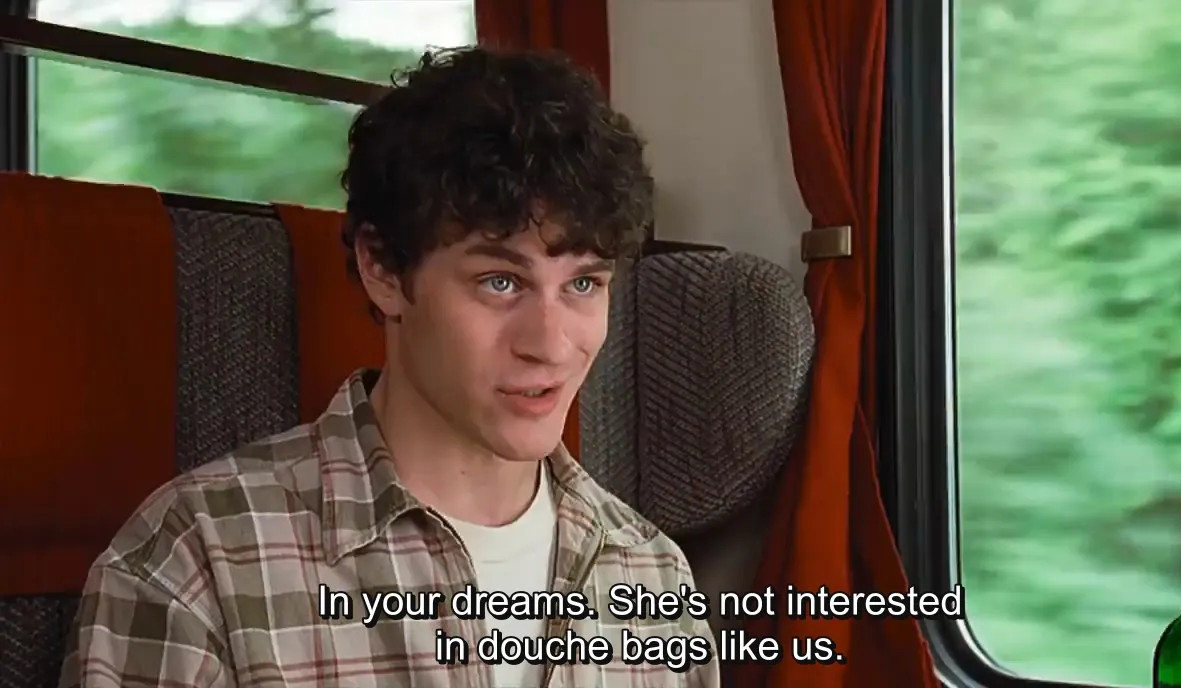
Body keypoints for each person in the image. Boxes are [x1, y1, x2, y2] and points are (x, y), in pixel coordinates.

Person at [59, 46, 719, 688]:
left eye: (583, 284)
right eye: (500, 282)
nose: (550, 345)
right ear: (382, 269)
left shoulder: (653, 575)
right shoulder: (196, 562)